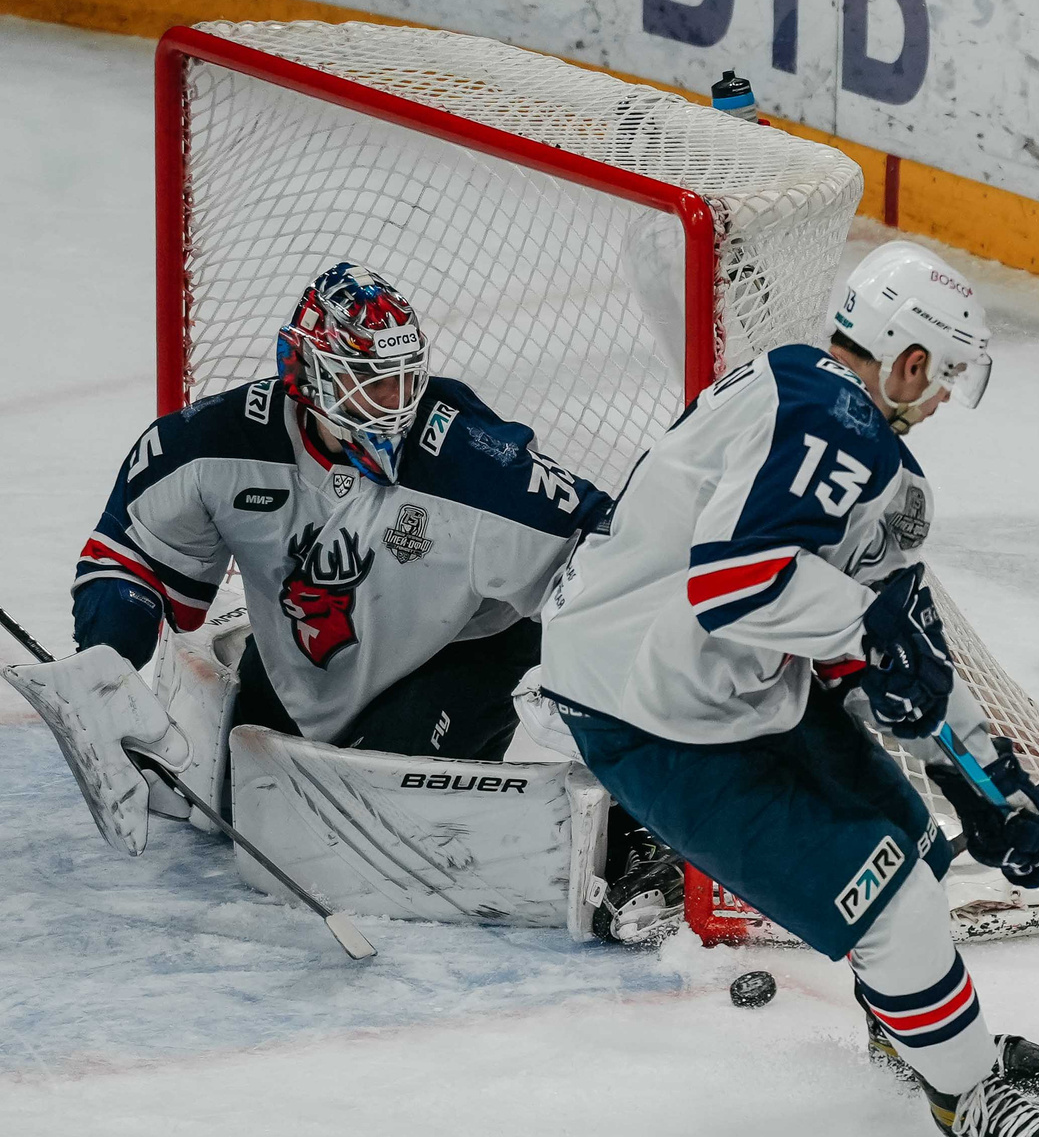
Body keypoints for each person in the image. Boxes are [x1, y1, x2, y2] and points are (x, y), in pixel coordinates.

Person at [538, 241, 1039, 1137]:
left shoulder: (838, 424)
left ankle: (913, 1031)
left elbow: (903, 640)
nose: (948, 396)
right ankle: (967, 1093)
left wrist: (988, 776)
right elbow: (733, 582)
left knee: (916, 844)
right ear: (909, 360)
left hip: (725, 684)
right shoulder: (826, 416)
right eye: (946, 373)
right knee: (893, 901)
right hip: (646, 707)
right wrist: (870, 636)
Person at [23, 262, 611, 855]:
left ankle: (629, 846)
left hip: (458, 648)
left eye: (405, 379)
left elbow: (604, 547)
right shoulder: (211, 447)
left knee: (374, 831)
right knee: (242, 811)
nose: (396, 401)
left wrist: (582, 679)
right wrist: (105, 668)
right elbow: (127, 558)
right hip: (304, 660)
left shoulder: (475, 465)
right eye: (371, 380)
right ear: (305, 369)